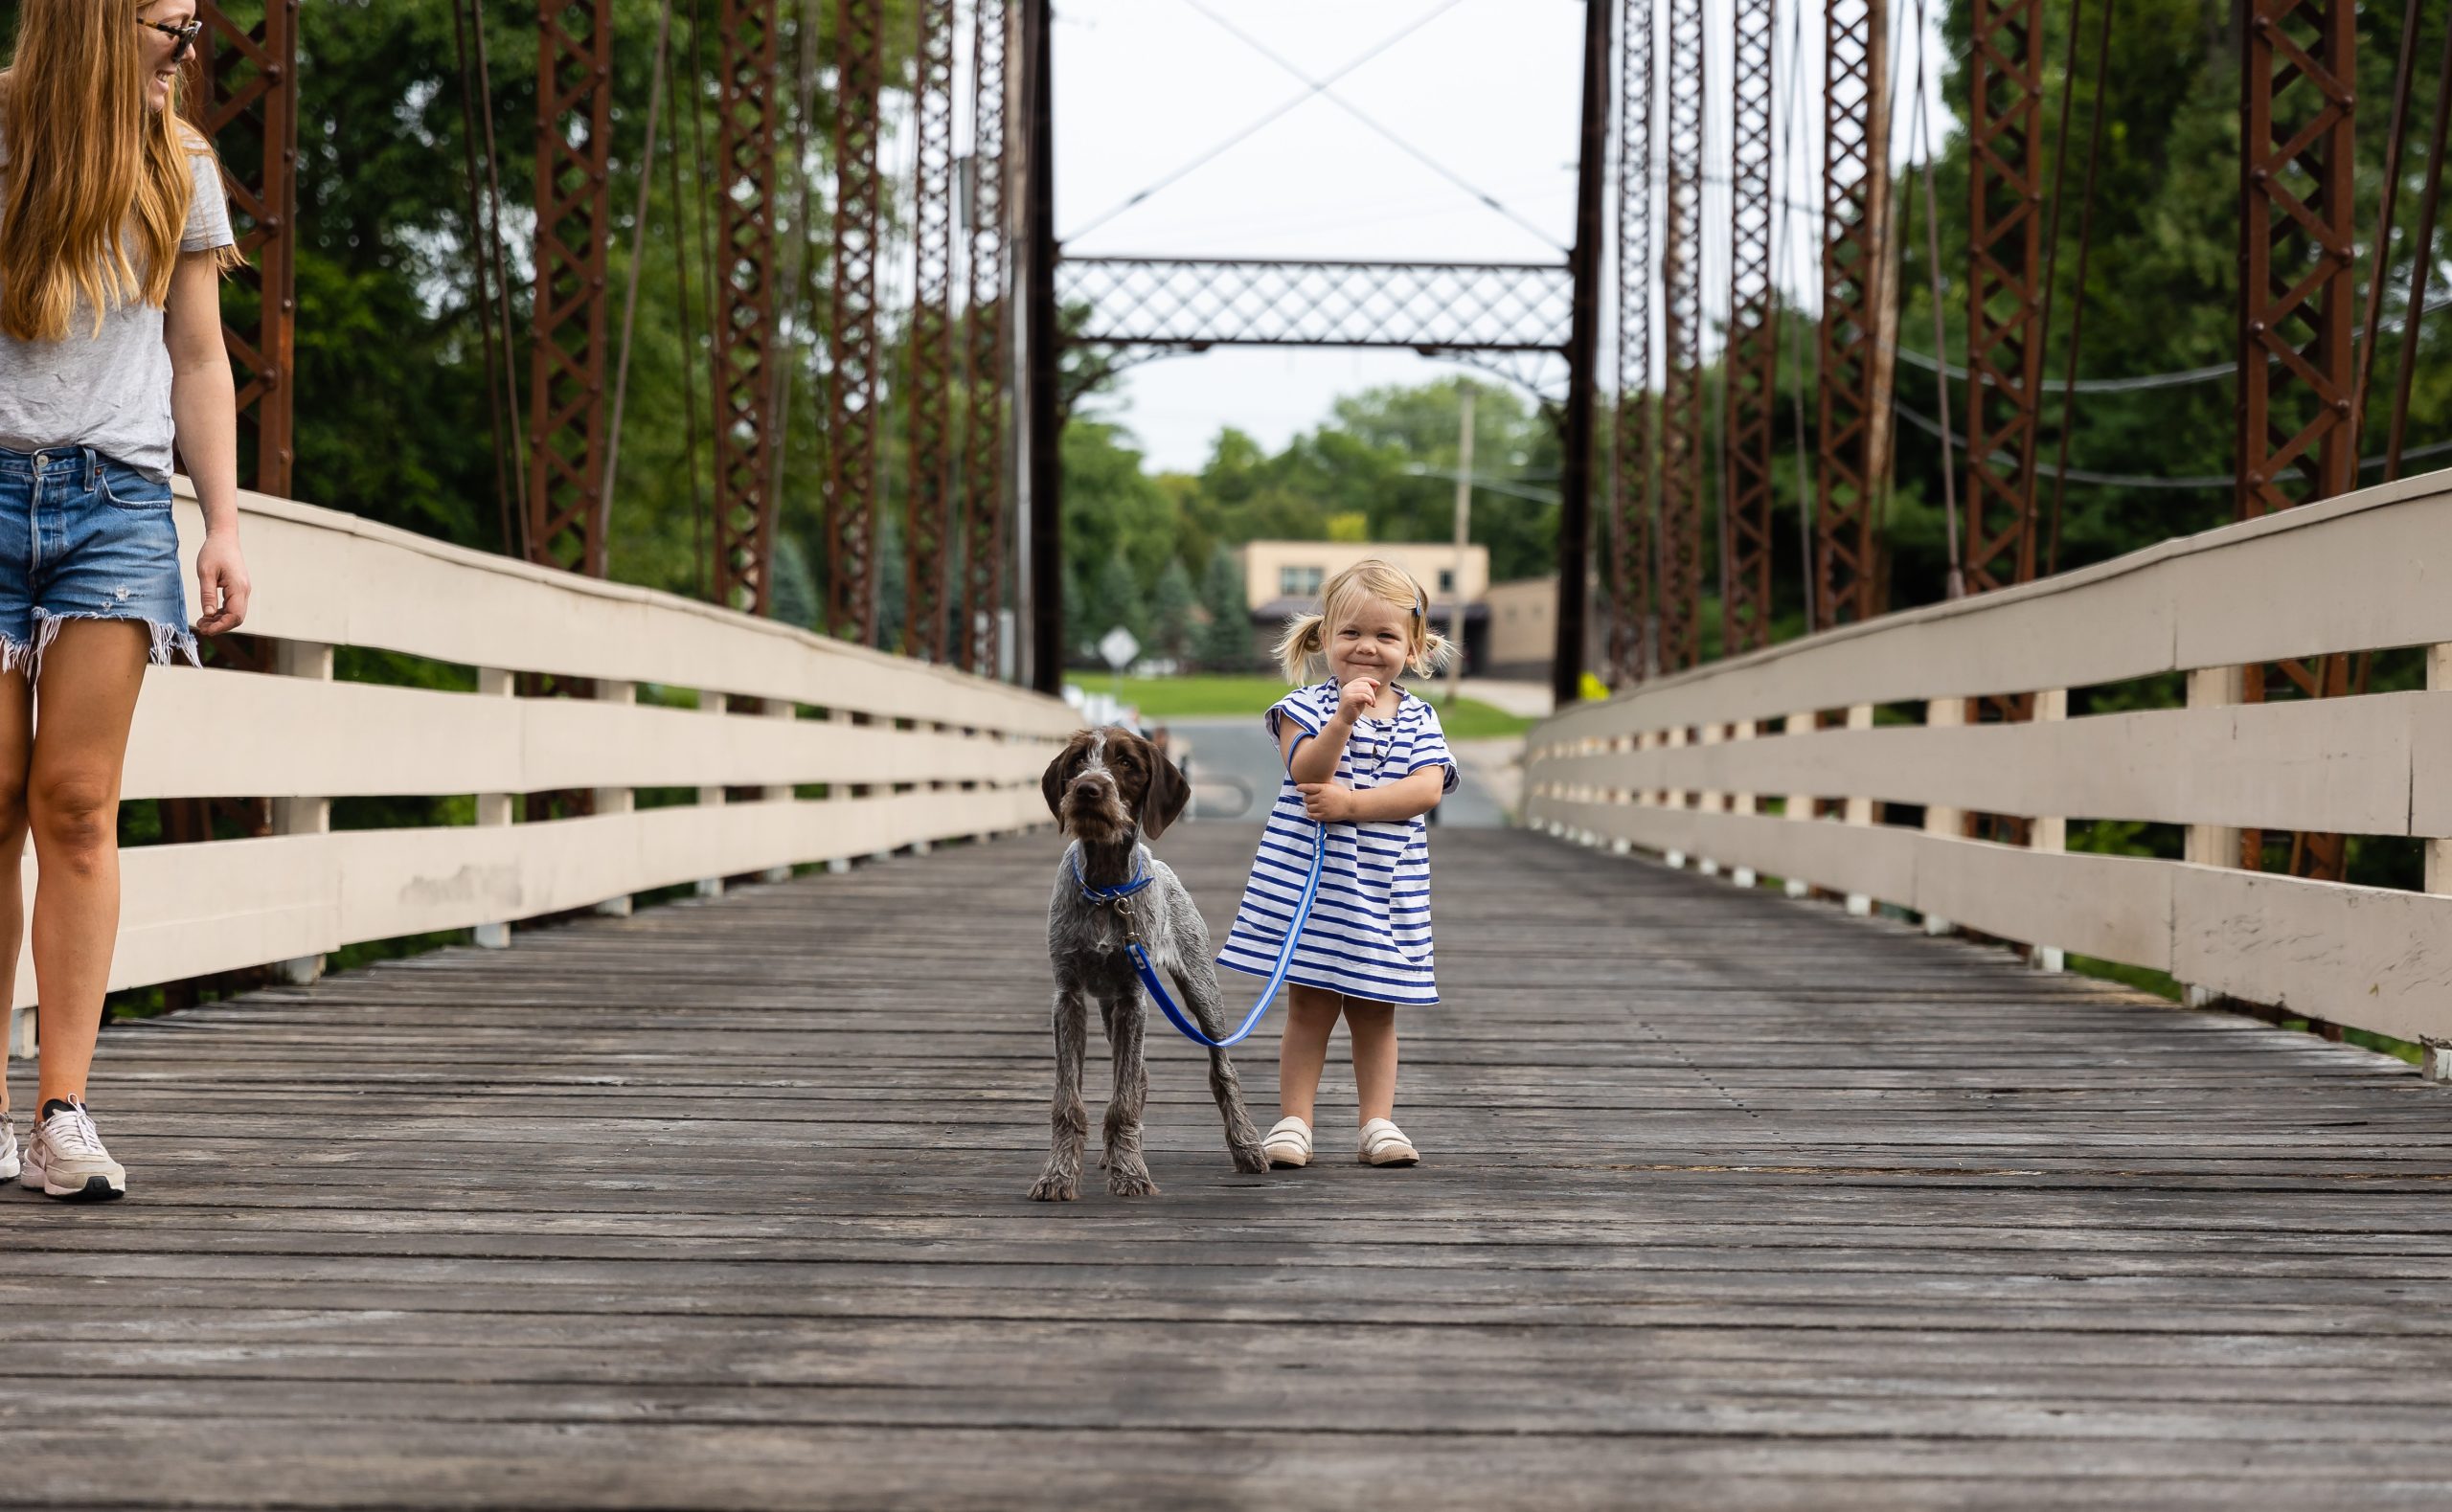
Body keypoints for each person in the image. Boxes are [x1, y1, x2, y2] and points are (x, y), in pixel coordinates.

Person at [0, 0, 252, 1199]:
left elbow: (199, 355)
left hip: (114, 503)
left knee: (77, 803)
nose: (187, 50)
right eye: (168, 25)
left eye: (195, 29)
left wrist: (225, 524)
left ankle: (62, 1111)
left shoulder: (181, 162)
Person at [1215, 559, 1455, 1170]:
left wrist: (1353, 805)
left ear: (1414, 645)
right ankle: (1295, 1120)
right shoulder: (1302, 707)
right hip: (1315, 885)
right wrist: (1344, 717)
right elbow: (1307, 773)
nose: (1366, 648)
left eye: (1385, 636)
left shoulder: (1420, 718)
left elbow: (1427, 790)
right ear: (1324, 638)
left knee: (1376, 1011)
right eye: (1350, 633)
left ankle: (1378, 1122)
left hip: (1384, 888)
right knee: (1310, 1004)